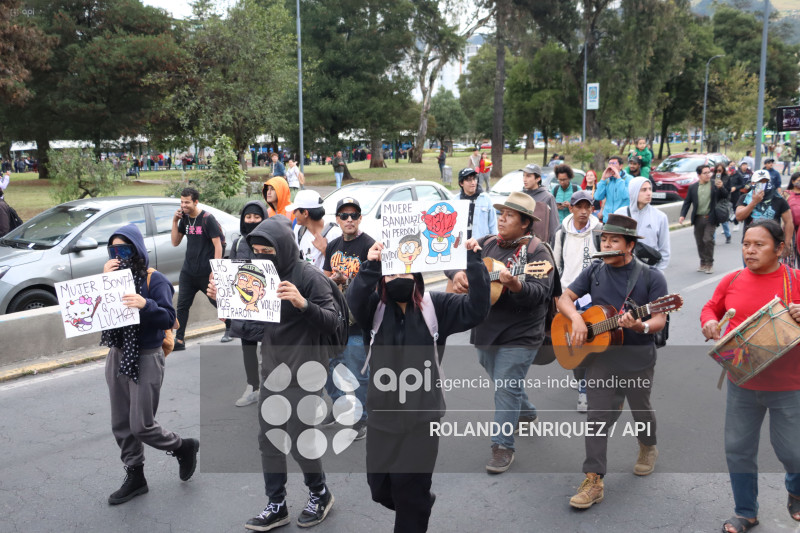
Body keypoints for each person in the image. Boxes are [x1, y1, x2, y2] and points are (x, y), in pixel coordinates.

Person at [347, 237, 490, 533]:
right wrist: (371, 264)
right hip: (382, 417)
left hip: (423, 419)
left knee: (408, 492)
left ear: (418, 276)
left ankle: (415, 504)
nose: (398, 278)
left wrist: (473, 263)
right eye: (391, 273)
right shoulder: (374, 309)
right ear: (383, 279)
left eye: (405, 272)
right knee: (380, 489)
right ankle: (420, 501)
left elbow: (478, 309)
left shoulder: (436, 306)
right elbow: (354, 300)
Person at [207, 216, 338, 531]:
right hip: (273, 370)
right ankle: (276, 504)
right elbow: (246, 324)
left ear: (283, 248)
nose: (262, 257)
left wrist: (303, 303)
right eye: (257, 251)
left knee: (298, 438)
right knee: (269, 439)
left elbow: (333, 321)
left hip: (307, 370)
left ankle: (320, 494)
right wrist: (219, 300)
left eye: (269, 250)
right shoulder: (254, 276)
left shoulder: (308, 276)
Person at [557, 214, 667, 510]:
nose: (606, 243)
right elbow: (564, 299)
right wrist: (578, 320)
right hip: (601, 357)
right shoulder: (594, 271)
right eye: (604, 238)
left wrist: (638, 326)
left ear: (630, 245)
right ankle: (593, 480)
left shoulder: (650, 277)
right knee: (596, 417)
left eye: (614, 240)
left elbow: (659, 318)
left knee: (640, 409)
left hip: (637, 357)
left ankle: (647, 445)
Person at [700, 219, 800, 533]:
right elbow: (710, 308)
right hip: (741, 382)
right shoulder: (731, 280)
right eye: (746, 244)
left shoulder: (796, 280)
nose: (750, 251)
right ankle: (745, 512)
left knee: (794, 451)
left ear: (780, 248)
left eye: (759, 245)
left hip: (790, 385)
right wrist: (709, 323)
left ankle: (795, 489)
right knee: (738, 450)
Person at [449, 191, 555, 474]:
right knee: (499, 378)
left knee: (505, 385)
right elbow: (448, 258)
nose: (502, 219)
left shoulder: (537, 253)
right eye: (500, 214)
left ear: (525, 223)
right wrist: (456, 274)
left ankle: (502, 446)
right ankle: (527, 411)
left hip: (522, 332)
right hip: (486, 328)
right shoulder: (485, 244)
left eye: (509, 215)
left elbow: (540, 294)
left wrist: (516, 285)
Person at [102, 224, 198, 505]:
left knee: (141, 424)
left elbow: (169, 319)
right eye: (114, 250)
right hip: (118, 352)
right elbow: (99, 313)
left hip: (146, 353)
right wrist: (105, 284)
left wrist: (145, 305)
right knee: (121, 422)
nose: (120, 255)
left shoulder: (155, 281)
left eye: (125, 249)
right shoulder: (112, 277)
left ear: (138, 249)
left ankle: (182, 447)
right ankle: (136, 476)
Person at [321, 197, 375, 441]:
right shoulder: (332, 246)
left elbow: (374, 287)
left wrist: (348, 281)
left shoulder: (370, 246)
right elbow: (322, 281)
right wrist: (330, 282)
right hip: (334, 320)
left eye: (354, 215)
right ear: (337, 220)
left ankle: (361, 419)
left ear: (360, 218)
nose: (349, 219)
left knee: (357, 372)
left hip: (358, 321)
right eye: (344, 215)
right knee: (328, 367)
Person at [553, 189, 601, 413]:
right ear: (570, 209)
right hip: (568, 296)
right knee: (573, 342)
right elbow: (554, 267)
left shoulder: (599, 232)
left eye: (587, 207)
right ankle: (579, 376)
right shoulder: (561, 233)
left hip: (594, 298)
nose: (583, 212)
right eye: (579, 207)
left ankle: (585, 389)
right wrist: (556, 296)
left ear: (592, 208)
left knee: (588, 344)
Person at [227, 200, 270, 407]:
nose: (252, 221)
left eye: (256, 217)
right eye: (248, 217)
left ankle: (274, 389)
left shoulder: (273, 240)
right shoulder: (238, 244)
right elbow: (232, 275)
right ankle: (253, 387)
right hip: (246, 307)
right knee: (248, 348)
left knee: (272, 350)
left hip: (270, 306)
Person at [170, 187, 224, 351]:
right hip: (188, 271)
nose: (183, 205)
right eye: (182, 202)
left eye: (187, 202)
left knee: (218, 302)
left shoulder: (207, 219)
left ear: (195, 202)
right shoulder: (184, 219)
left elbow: (218, 244)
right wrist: (174, 221)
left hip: (205, 272)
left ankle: (232, 326)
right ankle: (179, 340)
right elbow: (175, 242)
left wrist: (216, 270)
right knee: (182, 305)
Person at [679, 165, 729, 274]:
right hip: (698, 218)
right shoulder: (693, 187)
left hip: (710, 218)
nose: (708, 175)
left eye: (709, 172)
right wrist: (682, 215)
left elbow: (725, 196)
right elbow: (687, 202)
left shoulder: (714, 184)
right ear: (699, 175)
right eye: (705, 173)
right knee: (700, 242)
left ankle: (710, 263)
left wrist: (721, 187)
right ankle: (703, 262)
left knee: (708, 239)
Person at [615, 177, 671, 270]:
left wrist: (658, 273)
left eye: (650, 189)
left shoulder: (660, 217)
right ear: (634, 192)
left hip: (649, 272)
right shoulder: (619, 214)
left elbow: (664, 250)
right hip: (623, 271)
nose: (649, 193)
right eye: (644, 190)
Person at [735, 170, 793, 254]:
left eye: (765, 182)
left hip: (772, 244)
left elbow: (788, 221)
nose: (762, 184)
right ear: (753, 183)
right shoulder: (745, 198)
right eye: (759, 182)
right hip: (751, 244)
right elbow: (739, 216)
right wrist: (754, 202)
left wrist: (787, 243)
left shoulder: (778, 199)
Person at [286, 190, 341, 270]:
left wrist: (325, 250)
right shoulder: (299, 230)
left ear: (305, 213)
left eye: (295, 210)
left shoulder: (334, 233)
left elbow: (340, 269)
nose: (294, 213)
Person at [521, 163, 559, 247]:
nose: (524, 179)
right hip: (520, 245)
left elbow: (554, 226)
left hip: (540, 247)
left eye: (528, 176)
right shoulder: (520, 196)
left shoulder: (547, 197)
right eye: (523, 176)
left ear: (538, 178)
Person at [456, 167, 497, 240]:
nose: (473, 182)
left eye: (474, 179)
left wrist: (493, 244)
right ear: (461, 183)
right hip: (462, 246)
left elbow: (493, 225)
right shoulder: (455, 200)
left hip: (481, 246)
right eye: (469, 180)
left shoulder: (486, 199)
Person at [595, 156, 632, 223]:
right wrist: (603, 179)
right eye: (609, 164)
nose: (611, 166)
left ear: (621, 166)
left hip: (622, 220)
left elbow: (625, 196)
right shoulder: (607, 180)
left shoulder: (629, 179)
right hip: (607, 219)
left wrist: (618, 178)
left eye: (614, 163)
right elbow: (598, 197)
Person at [783, 172, 800, 269]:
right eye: (798, 180)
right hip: (790, 228)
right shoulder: (786, 194)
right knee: (790, 256)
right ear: (793, 181)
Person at [714, 163, 734, 244]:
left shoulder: (726, 178)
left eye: (720, 170)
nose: (718, 172)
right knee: (713, 221)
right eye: (717, 170)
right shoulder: (713, 178)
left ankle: (728, 235)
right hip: (714, 201)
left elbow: (727, 192)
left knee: (724, 220)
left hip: (723, 201)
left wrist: (721, 187)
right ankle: (713, 239)